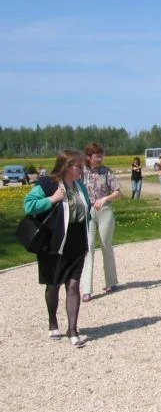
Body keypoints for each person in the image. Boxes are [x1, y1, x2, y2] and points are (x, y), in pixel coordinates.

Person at [23, 149, 92, 348]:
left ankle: (73, 329)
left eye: (81, 165)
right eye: (77, 165)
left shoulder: (80, 187)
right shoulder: (47, 184)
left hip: (77, 242)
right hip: (53, 244)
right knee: (53, 286)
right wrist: (52, 199)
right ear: (65, 166)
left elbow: (85, 211)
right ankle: (53, 321)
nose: (80, 169)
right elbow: (29, 206)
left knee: (73, 286)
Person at [80, 142, 121, 302]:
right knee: (88, 247)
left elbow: (117, 192)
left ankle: (111, 281)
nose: (100, 158)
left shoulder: (106, 171)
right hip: (88, 213)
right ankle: (86, 289)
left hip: (104, 211)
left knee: (106, 245)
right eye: (97, 156)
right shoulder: (81, 172)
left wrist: (105, 198)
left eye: (101, 155)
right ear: (89, 157)